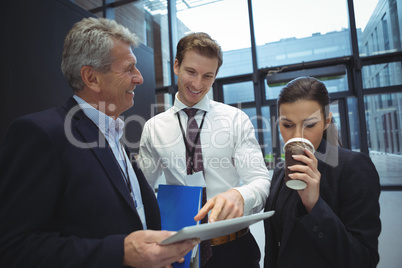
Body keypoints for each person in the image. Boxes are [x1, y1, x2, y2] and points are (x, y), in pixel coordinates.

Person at [0, 17, 199, 268]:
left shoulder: (115, 135)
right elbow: (13, 247)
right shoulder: (40, 134)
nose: (139, 78)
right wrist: (121, 252)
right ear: (91, 78)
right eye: (129, 69)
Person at [138, 32, 271, 268]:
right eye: (191, 72)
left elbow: (261, 181)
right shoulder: (153, 127)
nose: (198, 84)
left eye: (208, 76)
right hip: (178, 250)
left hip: (235, 251)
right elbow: (143, 192)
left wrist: (241, 195)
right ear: (176, 66)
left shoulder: (235, 119)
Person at [263, 76, 381, 267]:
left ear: (326, 121)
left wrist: (314, 205)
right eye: (287, 125)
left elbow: (364, 260)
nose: (297, 136)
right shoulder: (279, 173)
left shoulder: (353, 168)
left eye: (309, 125)